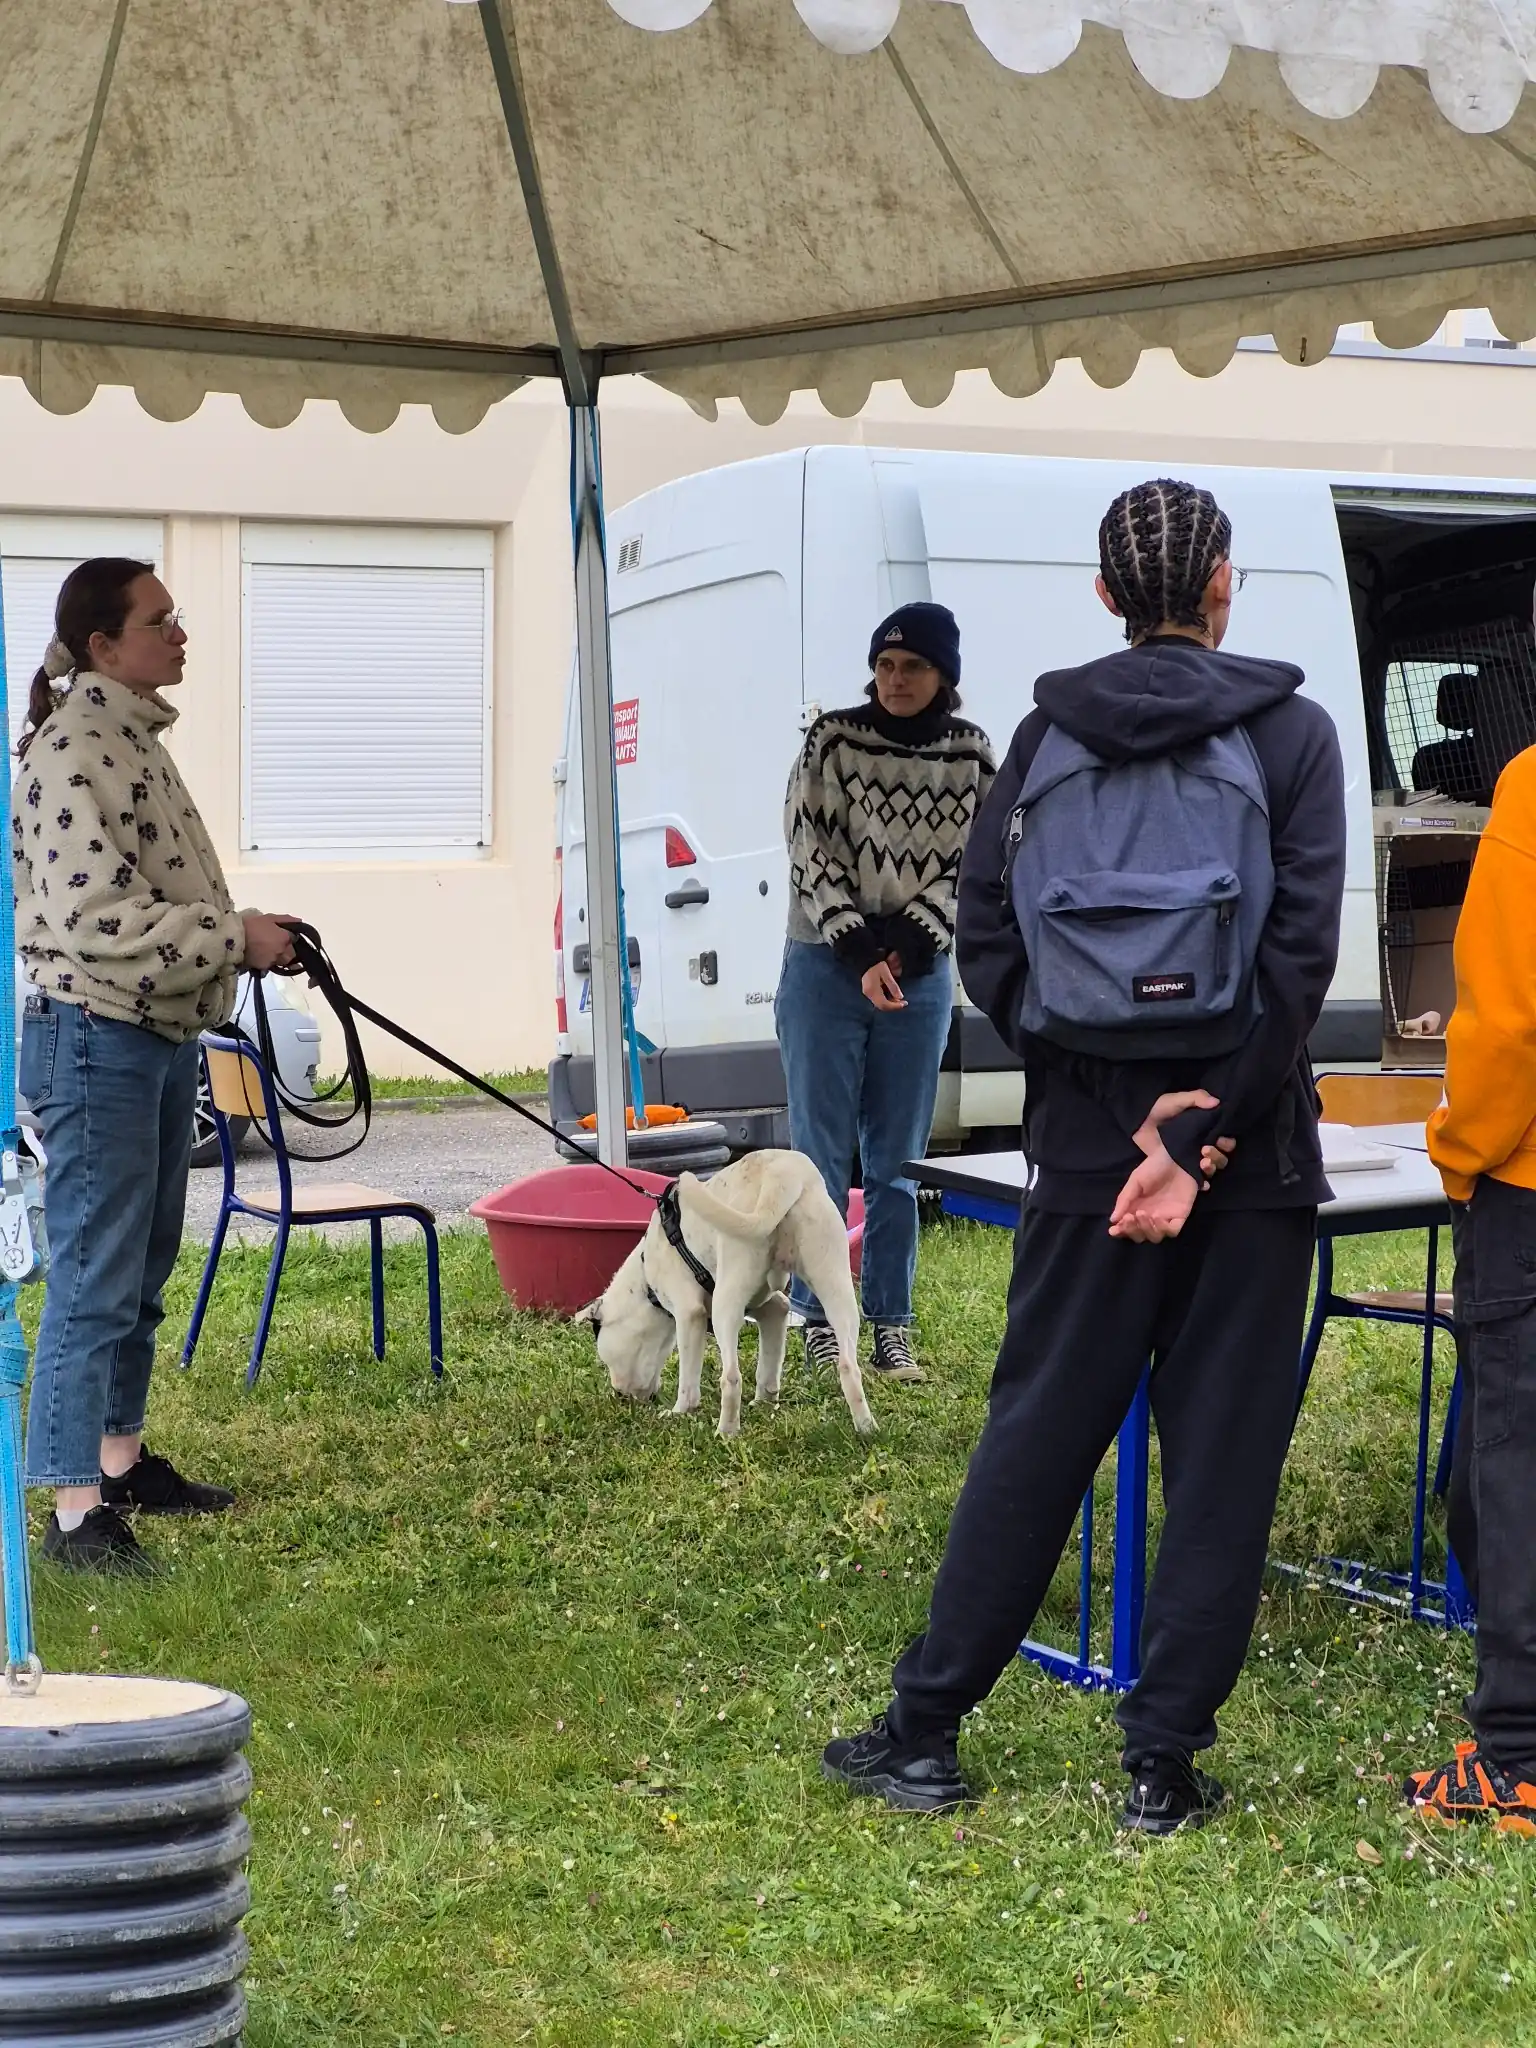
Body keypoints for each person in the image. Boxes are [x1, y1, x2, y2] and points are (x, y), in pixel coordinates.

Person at [822, 479, 1346, 1833]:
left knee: (1037, 1435)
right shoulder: (1293, 735)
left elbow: (989, 941)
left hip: (1082, 1157)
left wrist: (1112, 1108)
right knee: (1222, 1464)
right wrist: (1206, 1127)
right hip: (1256, 1163)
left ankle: (924, 1731)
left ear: (1106, 594)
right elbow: (1295, 970)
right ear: (1224, 582)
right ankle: (1159, 1770)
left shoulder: (1047, 736)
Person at [13, 559, 300, 1575]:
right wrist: (235, 934)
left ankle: (118, 1459)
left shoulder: (124, 735)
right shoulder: (75, 748)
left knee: (138, 1265)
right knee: (95, 1270)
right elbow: (99, 920)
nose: (179, 635)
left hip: (149, 1034)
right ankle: (74, 1508)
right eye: (160, 620)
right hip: (96, 1034)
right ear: (103, 643)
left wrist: (240, 934)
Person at [777, 602, 996, 1384]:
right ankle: (817, 1315)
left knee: (900, 1158)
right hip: (826, 963)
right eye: (884, 666)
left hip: (920, 967)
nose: (895, 680)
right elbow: (809, 848)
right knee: (821, 1155)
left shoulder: (971, 756)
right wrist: (859, 949)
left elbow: (975, 866)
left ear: (946, 676)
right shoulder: (833, 739)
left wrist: (901, 951)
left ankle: (891, 1323)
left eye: (913, 667)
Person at [1408, 682, 1536, 1834]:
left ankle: (1517, 1754)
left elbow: (1502, 1019)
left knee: (1514, 1460)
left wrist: (1458, 1150)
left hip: (1531, 1185)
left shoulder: (1531, 787)